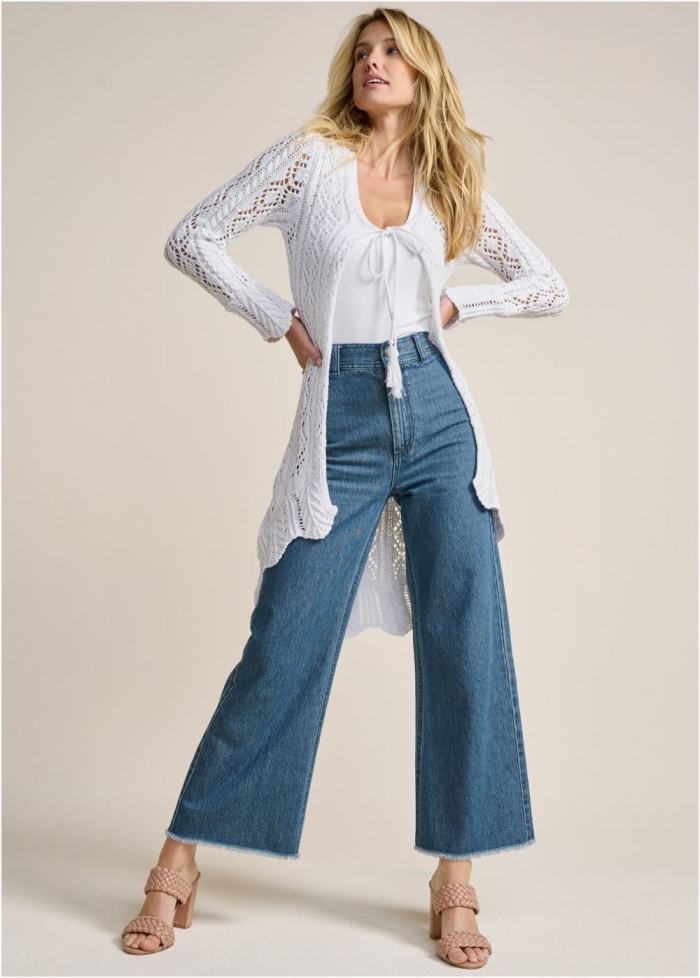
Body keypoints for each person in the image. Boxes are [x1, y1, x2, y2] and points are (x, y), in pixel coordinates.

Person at [120, 7, 569, 968]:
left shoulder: (449, 179)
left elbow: (547, 283)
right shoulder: (310, 161)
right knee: (283, 642)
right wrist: (273, 313)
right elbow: (194, 237)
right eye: (363, 51)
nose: (374, 62)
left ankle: (455, 880)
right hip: (344, 419)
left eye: (392, 50)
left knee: (467, 639)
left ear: (424, 71)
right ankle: (178, 861)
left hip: (439, 415)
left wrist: (462, 303)